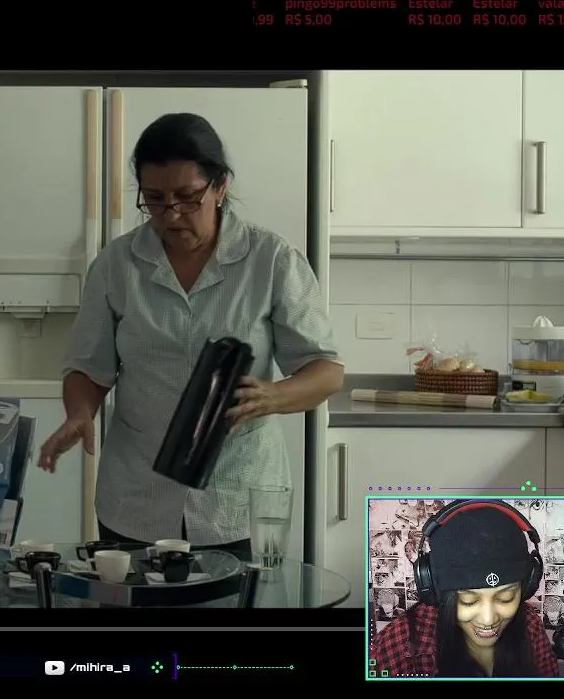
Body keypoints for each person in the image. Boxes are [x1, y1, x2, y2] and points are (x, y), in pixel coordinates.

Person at [36, 112, 342, 556]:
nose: (172, 214)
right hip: (136, 497)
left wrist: (273, 397)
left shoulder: (272, 259)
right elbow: (88, 366)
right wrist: (79, 413)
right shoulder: (117, 264)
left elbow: (326, 371)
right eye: (155, 200)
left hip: (236, 499)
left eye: (187, 197)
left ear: (220, 187)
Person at [369, 500, 559, 678]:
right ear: (436, 592)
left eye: (506, 598)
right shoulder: (393, 647)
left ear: (527, 587)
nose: (488, 619)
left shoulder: (530, 625)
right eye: (468, 600)